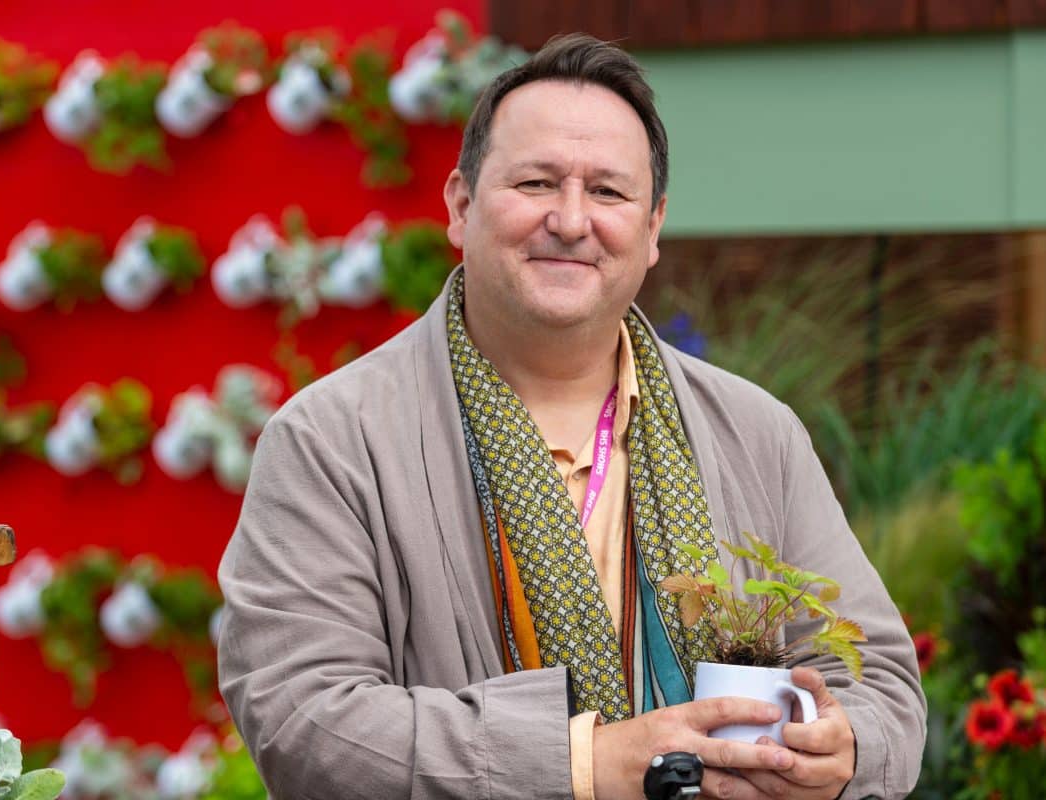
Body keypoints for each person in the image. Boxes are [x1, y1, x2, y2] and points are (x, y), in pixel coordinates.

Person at [217, 33, 925, 800]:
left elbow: (882, 687)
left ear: (652, 229)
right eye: (536, 182)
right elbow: (301, 716)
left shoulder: (756, 433)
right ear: (460, 205)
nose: (571, 219)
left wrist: (844, 749)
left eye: (610, 193)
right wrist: (584, 764)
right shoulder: (331, 440)